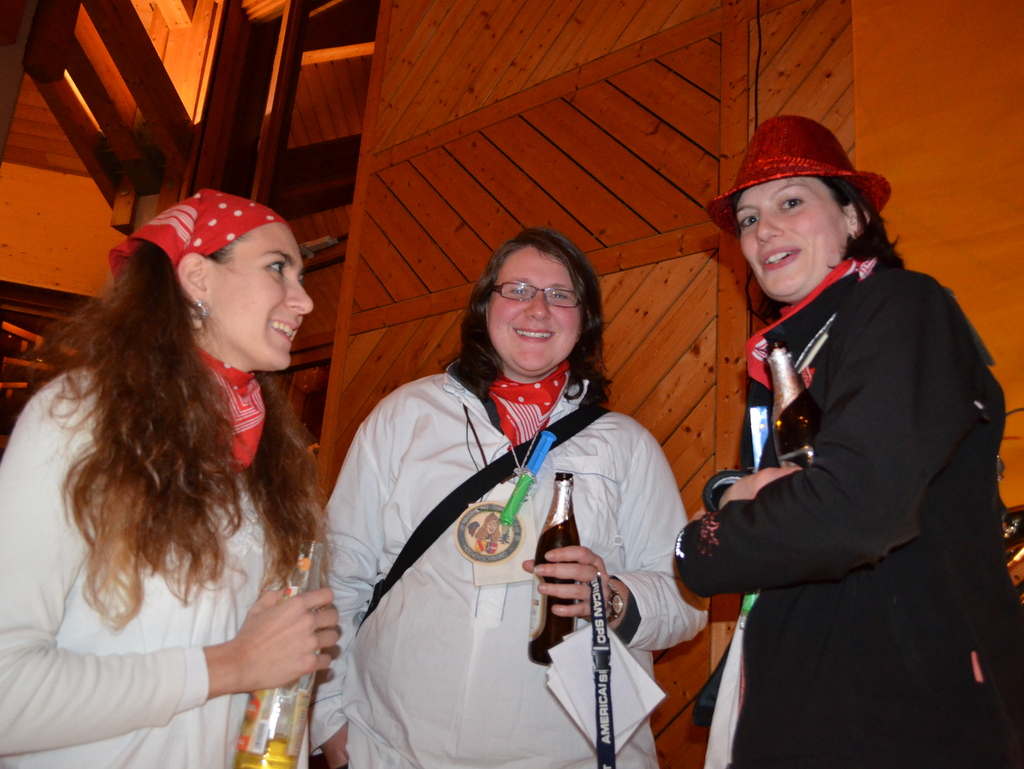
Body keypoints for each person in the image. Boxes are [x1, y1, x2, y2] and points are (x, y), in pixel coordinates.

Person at [675, 115, 1024, 767]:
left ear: (855, 217)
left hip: (909, 721)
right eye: (748, 218)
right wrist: (745, 496)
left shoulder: (900, 304)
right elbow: (802, 517)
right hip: (809, 709)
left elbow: (851, 511)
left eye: (790, 203)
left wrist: (699, 542)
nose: (762, 229)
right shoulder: (786, 355)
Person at [311, 227, 706, 768]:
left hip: (570, 756)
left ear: (584, 320)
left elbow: (686, 601)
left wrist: (612, 597)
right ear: (485, 306)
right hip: (393, 746)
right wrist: (329, 717)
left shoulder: (626, 445)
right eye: (517, 289)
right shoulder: (406, 415)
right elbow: (340, 572)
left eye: (561, 294)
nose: (538, 309)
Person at [0, 190, 340, 768]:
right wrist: (232, 664)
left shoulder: (264, 459)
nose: (304, 300)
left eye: (300, 276)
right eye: (277, 268)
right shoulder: (84, 416)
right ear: (197, 278)